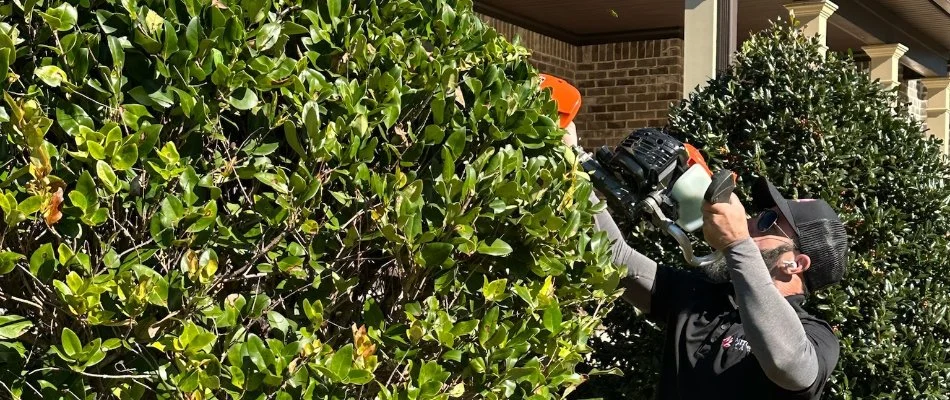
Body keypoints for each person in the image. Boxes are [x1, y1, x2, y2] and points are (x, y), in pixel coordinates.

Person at [564, 125, 849, 399]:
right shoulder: (701, 296)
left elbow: (788, 363)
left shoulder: (817, 337)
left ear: (796, 264)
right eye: (758, 214)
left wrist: (738, 243)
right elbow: (614, 259)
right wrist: (568, 160)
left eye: (767, 221)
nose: (750, 222)